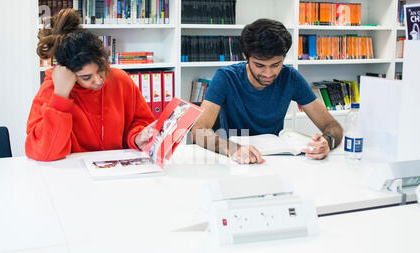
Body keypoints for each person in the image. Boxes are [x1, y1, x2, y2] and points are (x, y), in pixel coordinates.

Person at [191, 19, 344, 164]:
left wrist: (327, 141)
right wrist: (233, 149)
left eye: (276, 65)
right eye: (260, 65)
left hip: (275, 159)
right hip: (235, 159)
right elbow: (198, 131)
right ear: (246, 56)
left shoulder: (290, 77)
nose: (268, 73)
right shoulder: (225, 77)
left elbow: (332, 126)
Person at [25, 9, 156, 161]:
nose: (99, 80)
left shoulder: (120, 80)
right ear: (69, 73)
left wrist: (137, 137)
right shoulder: (51, 90)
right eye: (86, 77)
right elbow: (44, 152)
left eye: (101, 69)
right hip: (73, 175)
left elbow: (141, 121)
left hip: (119, 172)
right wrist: (60, 97)